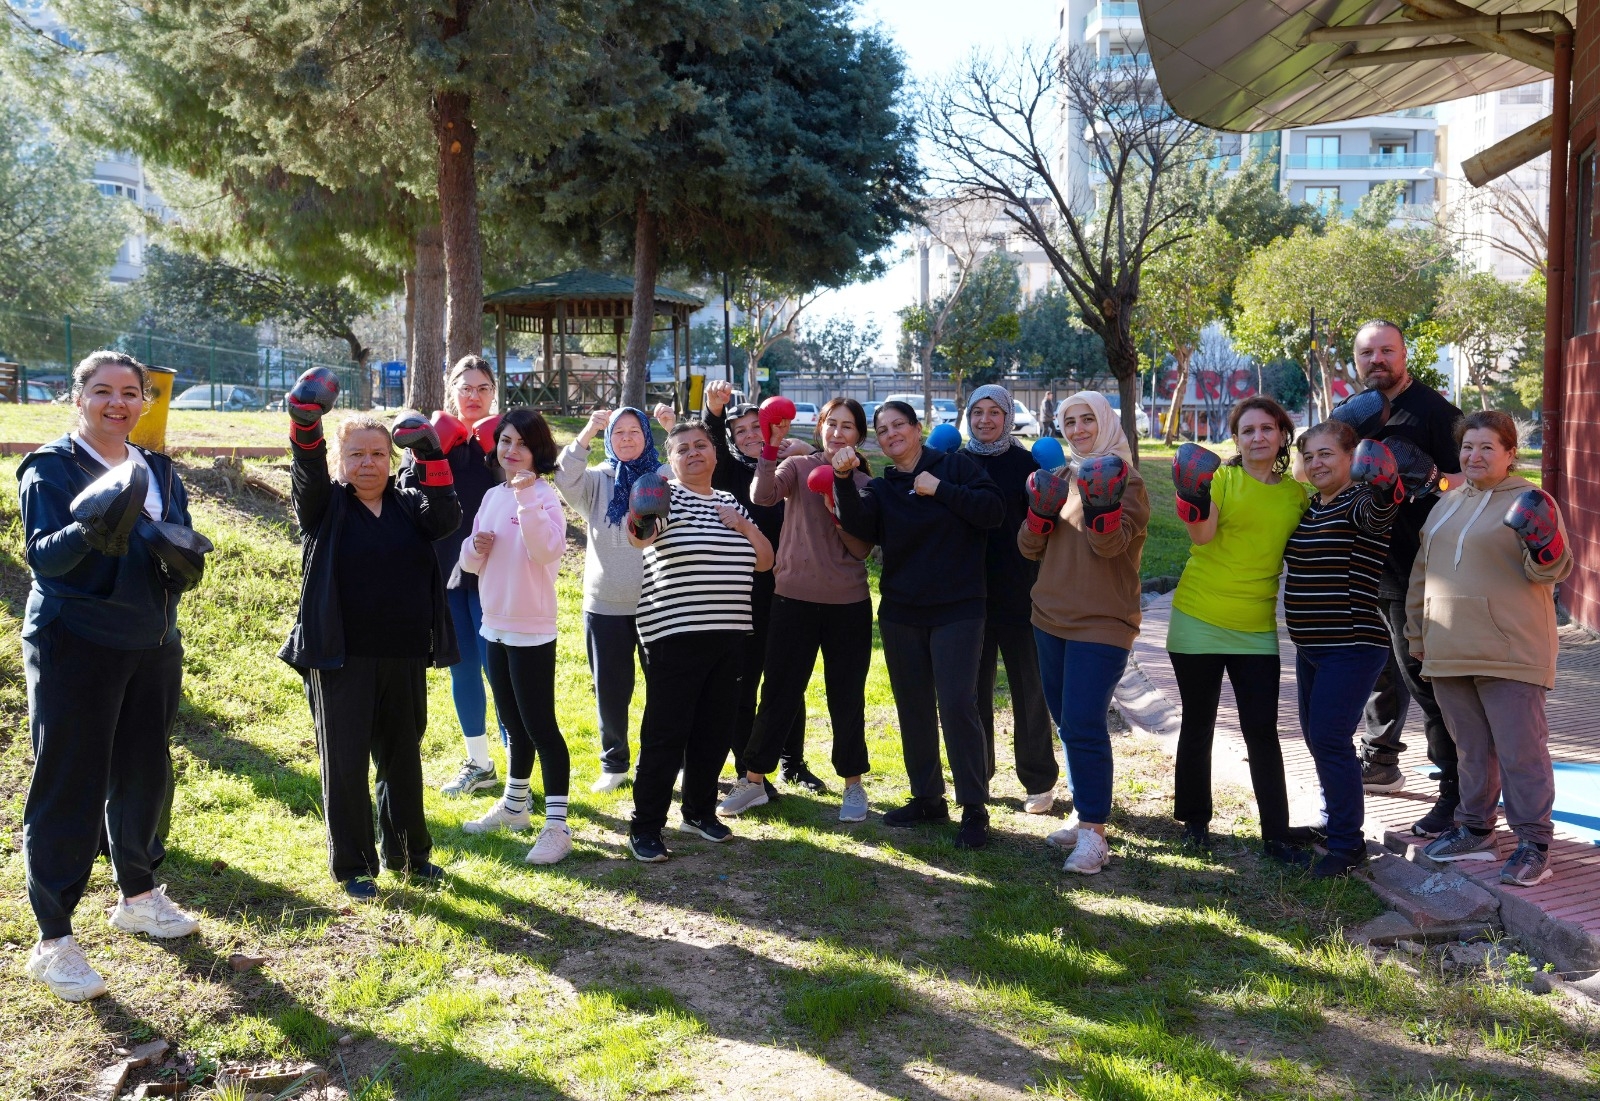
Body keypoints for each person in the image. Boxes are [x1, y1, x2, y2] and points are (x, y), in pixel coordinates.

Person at [20, 351, 210, 1002]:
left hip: (152, 640)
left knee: (145, 772)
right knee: (69, 782)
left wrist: (182, 559)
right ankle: (54, 939)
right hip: (76, 641)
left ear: (144, 402)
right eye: (102, 391)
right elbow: (44, 559)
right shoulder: (51, 467)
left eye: (130, 393)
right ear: (79, 398)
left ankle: (138, 894)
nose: (117, 403)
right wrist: (88, 528)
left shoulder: (157, 468)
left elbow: (181, 539)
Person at [279, 371, 462, 901]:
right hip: (339, 657)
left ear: (391, 459)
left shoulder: (409, 504)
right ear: (341, 460)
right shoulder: (326, 506)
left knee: (403, 757)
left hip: (403, 653)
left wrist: (430, 454)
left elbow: (445, 517)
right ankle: (354, 866)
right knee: (346, 762)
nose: (367, 463)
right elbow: (306, 475)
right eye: (356, 454)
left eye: (378, 454)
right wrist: (305, 424)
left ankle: (410, 854)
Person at [1407, 411, 1572, 886]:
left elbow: (1551, 570)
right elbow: (1422, 572)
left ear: (1509, 453)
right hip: (1449, 646)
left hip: (1511, 648)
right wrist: (1417, 633)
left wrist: (1545, 544)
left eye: (1486, 447)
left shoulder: (1530, 500)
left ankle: (1534, 844)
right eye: (1467, 447)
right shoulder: (1446, 503)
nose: (1474, 456)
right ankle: (1476, 830)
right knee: (1470, 750)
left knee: (1521, 752)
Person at [834, 400, 1004, 848]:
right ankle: (928, 797)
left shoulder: (956, 466)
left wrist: (940, 489)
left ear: (916, 428)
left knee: (957, 704)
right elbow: (859, 528)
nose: (891, 434)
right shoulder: (883, 487)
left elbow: (993, 511)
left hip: (958, 608)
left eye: (899, 425)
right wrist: (843, 480)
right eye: (883, 429)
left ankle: (974, 807)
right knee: (913, 707)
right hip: (901, 612)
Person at [1166, 396, 1311, 865]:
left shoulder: (1296, 495)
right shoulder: (1221, 480)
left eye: (1267, 428)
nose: (1258, 437)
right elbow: (1202, 536)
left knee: (1262, 730)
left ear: (1283, 435)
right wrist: (1192, 496)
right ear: (1236, 440)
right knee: (1199, 723)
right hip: (1198, 617)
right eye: (1248, 430)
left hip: (1256, 627)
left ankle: (1276, 834)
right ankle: (1195, 824)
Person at [718, 397, 877, 822]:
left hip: (848, 604)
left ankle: (853, 785)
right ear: (820, 427)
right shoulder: (799, 465)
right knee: (779, 693)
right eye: (831, 423)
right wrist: (770, 447)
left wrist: (838, 496)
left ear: (859, 436)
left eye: (847, 426)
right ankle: (753, 781)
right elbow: (762, 495)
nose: (838, 432)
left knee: (846, 697)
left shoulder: (866, 483)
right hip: (792, 600)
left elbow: (861, 549)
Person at [626, 419, 775, 862]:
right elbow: (640, 538)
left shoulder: (730, 501)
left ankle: (698, 812)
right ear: (671, 460)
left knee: (714, 730)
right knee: (666, 734)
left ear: (714, 452)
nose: (693, 452)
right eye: (682, 448)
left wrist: (744, 526)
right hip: (673, 636)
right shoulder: (664, 495)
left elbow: (765, 562)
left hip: (730, 635)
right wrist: (641, 515)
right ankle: (645, 826)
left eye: (700, 445)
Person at [1020, 391, 1149, 875]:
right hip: (1049, 616)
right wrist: (1037, 515)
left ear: (1106, 422)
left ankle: (1095, 834)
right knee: (1067, 723)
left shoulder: (1128, 480)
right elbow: (1028, 548)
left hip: (1103, 620)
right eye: (1069, 421)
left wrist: (1103, 504)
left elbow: (1110, 547)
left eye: (1087, 419)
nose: (1078, 429)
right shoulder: (1057, 478)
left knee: (1084, 721)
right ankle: (1083, 811)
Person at [1349, 320, 1464, 837]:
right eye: (1367, 353)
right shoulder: (1356, 411)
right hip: (1362, 564)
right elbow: (1316, 464)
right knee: (1377, 671)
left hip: (1415, 568)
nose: (1377, 360)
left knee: (1423, 679)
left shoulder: (1435, 412)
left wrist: (1432, 480)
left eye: (1387, 351)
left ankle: (1457, 792)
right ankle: (1380, 761)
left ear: (1404, 355)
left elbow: (1472, 479)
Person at [1283, 421, 1403, 878]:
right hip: (1312, 647)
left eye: (1327, 454)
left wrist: (1386, 486)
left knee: (1331, 739)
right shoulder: (1314, 506)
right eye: (1309, 456)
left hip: (1352, 645)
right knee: (1319, 739)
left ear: (1353, 458)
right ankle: (1332, 821)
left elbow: (1381, 510)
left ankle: (1348, 845)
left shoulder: (1359, 501)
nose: (1316, 463)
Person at [690, 381, 822, 794]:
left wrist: (809, 449)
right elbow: (711, 438)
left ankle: (793, 763)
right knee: (743, 684)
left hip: (790, 589)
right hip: (742, 592)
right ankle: (749, 770)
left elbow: (829, 466)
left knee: (787, 681)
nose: (749, 435)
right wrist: (713, 410)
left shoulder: (790, 466)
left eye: (756, 427)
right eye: (740, 430)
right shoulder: (727, 472)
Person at [457, 409, 576, 864]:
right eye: (505, 440)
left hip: (531, 629)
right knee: (511, 721)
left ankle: (557, 826)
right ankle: (514, 807)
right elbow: (469, 563)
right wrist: (473, 548)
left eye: (522, 443)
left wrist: (526, 498)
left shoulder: (544, 496)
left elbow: (546, 551)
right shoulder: (491, 496)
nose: (511, 450)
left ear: (537, 450)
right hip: (493, 624)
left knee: (540, 726)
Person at [402, 355, 509, 798]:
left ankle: (519, 771)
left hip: (497, 571)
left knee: (501, 671)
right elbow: (406, 491)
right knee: (462, 669)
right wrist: (428, 451)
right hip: (447, 570)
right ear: (452, 392)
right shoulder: (429, 438)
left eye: (482, 388)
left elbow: (531, 482)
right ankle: (480, 764)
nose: (473, 396)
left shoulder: (506, 437)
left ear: (493, 392)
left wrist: (499, 450)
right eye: (465, 388)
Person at [553, 405, 671, 793]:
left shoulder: (663, 477)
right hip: (605, 605)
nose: (626, 438)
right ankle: (614, 763)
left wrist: (673, 430)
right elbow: (563, 476)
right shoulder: (597, 481)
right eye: (618, 432)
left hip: (659, 603)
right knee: (610, 691)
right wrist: (587, 431)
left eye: (634, 430)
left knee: (667, 689)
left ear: (646, 436)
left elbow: (691, 477)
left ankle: (672, 761)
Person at [960, 384, 1059, 814]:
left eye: (994, 412)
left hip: (1022, 594)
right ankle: (977, 777)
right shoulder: (955, 463)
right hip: (968, 597)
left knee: (1029, 691)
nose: (985, 420)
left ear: (1007, 418)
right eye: (977, 412)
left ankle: (1039, 781)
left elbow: (1048, 526)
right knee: (973, 694)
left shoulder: (1027, 465)